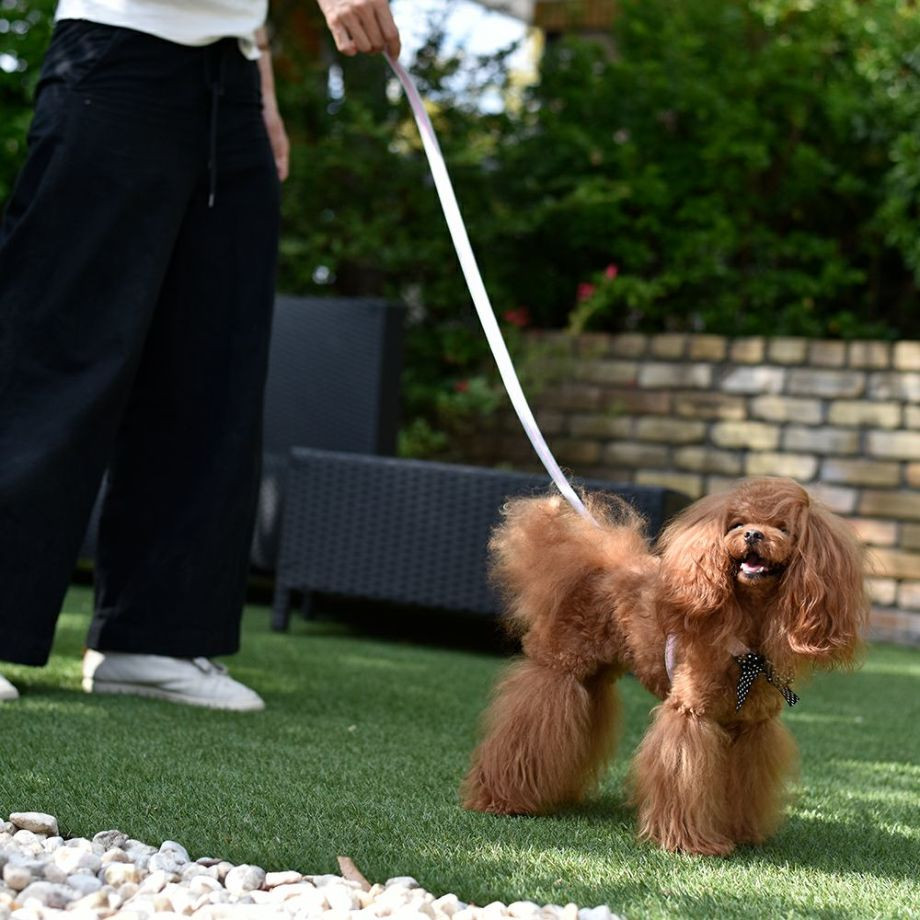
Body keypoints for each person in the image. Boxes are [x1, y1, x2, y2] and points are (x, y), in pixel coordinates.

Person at [0, 0, 400, 709]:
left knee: (208, 365)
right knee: (58, 349)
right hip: (118, 56)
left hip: (231, 79)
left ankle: (150, 637)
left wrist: (262, 89)